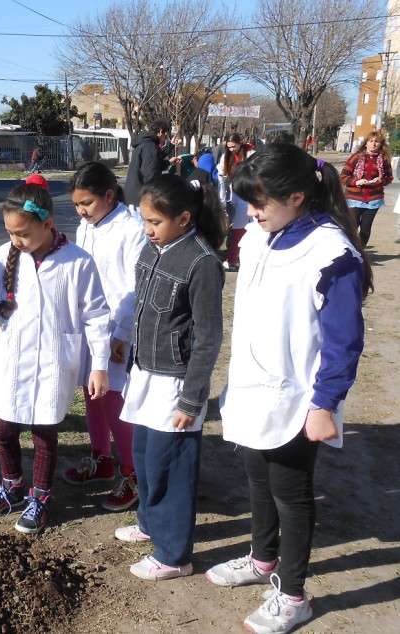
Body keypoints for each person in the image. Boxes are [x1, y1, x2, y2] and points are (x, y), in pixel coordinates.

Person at [207, 144, 370, 634]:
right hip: (255, 388)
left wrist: (326, 403)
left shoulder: (331, 253)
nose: (251, 214)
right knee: (257, 475)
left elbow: (344, 342)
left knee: (291, 493)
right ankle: (262, 559)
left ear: (298, 196)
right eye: (249, 205)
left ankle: (294, 594)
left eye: (260, 204)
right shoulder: (261, 236)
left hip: (299, 397)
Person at [0, 183, 112, 535]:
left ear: (48, 224)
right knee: (3, 428)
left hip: (53, 362)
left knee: (43, 433)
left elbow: (96, 315)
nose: (15, 239)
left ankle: (41, 497)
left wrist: (99, 364)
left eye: (23, 233)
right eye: (10, 232)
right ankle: (12, 486)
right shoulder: (2, 257)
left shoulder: (77, 261)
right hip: (12, 356)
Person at [114, 174, 225, 581]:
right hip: (146, 372)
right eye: (143, 221)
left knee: (172, 466)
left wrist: (192, 399)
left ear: (183, 218)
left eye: (154, 223)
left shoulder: (202, 262)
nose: (147, 230)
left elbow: (209, 335)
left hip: (175, 382)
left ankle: (175, 554)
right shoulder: (153, 248)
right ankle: (149, 523)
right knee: (144, 455)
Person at [61, 162, 146, 513]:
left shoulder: (132, 229)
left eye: (87, 203)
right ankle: (102, 458)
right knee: (91, 391)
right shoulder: (87, 226)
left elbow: (134, 286)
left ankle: (133, 472)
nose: (81, 211)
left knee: (113, 396)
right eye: (77, 205)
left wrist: (122, 333)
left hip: (115, 329)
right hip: (88, 324)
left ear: (109, 195)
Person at [339, 130, 393, 248]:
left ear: (381, 144)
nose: (373, 144)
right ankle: (348, 250)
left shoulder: (384, 160)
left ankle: (360, 252)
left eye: (377, 142)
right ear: (366, 143)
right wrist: (356, 181)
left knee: (366, 228)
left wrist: (381, 181)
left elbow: (389, 178)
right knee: (352, 226)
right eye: (371, 141)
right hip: (354, 198)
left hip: (373, 199)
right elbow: (343, 177)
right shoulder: (356, 157)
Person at [124, 119, 181, 211]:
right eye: (165, 136)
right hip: (141, 199)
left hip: (133, 196)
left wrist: (170, 151)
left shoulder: (145, 144)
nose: (164, 139)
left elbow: (155, 160)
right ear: (161, 132)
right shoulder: (151, 147)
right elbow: (150, 174)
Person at [218, 133, 253, 271]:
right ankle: (233, 258)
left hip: (250, 195)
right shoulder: (225, 157)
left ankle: (235, 258)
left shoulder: (250, 154)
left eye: (233, 146)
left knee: (249, 228)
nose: (231, 149)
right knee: (238, 228)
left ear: (240, 143)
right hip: (237, 196)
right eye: (229, 147)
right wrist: (221, 201)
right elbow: (223, 180)